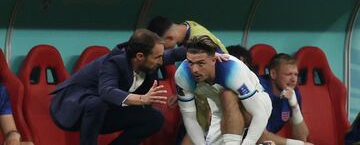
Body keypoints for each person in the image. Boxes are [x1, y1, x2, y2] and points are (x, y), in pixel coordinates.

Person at [50, 29, 186, 145]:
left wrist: (201, 47)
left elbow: (173, 54)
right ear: (140, 56)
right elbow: (107, 91)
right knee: (97, 103)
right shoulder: (114, 63)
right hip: (75, 109)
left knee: (155, 118)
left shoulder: (148, 58)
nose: (161, 61)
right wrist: (142, 99)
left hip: (105, 111)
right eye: (157, 57)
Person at [175, 35, 272, 145]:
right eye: (190, 62)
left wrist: (248, 143)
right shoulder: (182, 74)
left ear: (214, 60)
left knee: (228, 95)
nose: (194, 70)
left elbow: (260, 114)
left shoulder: (232, 70)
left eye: (201, 63)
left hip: (258, 104)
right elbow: (189, 118)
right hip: (221, 110)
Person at [148, 16, 229, 144]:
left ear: (169, 38)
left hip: (217, 102)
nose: (162, 49)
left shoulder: (199, 42)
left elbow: (216, 76)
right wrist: (182, 92)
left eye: (162, 45)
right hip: (204, 101)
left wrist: (212, 108)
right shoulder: (190, 26)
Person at [258, 53, 313, 145]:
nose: (293, 79)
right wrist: (298, 144)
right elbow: (258, 136)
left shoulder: (293, 92)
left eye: (296, 74)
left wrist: (295, 107)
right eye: (288, 74)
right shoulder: (260, 88)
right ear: (273, 74)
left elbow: (302, 137)